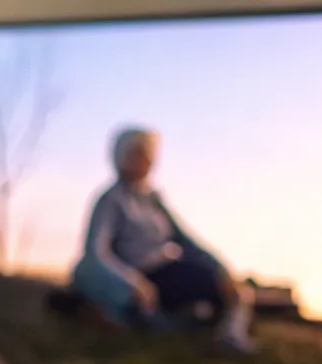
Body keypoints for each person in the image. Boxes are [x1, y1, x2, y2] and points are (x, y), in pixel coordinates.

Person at [70, 127, 254, 352]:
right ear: (121, 156)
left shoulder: (154, 199)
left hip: (167, 272)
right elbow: (96, 252)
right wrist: (132, 283)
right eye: (139, 154)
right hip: (138, 278)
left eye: (149, 154)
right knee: (156, 317)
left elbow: (186, 241)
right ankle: (106, 313)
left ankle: (231, 337)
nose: (147, 161)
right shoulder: (110, 199)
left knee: (229, 290)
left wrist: (222, 269)